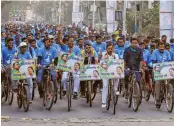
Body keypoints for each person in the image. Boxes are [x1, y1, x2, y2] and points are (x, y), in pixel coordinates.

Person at [151, 42, 171, 107]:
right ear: (158, 47)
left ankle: (169, 93)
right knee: (158, 83)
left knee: (169, 81)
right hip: (157, 70)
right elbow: (154, 61)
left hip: (166, 70)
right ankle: (157, 99)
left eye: (163, 47)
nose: (162, 48)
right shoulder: (155, 52)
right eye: (160, 47)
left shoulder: (167, 52)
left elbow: (169, 61)